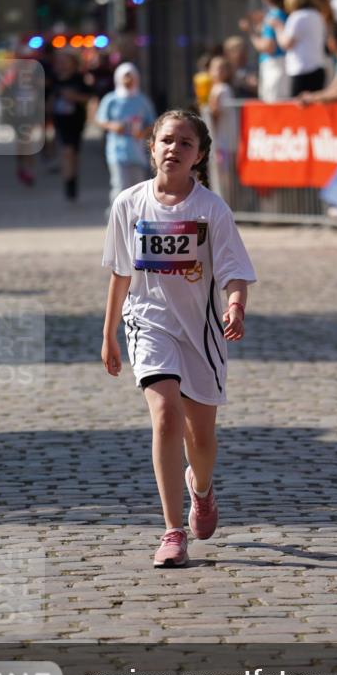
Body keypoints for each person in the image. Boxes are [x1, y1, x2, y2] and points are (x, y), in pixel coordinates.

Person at [101, 109, 256, 568]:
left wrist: (235, 305)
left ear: (199, 156)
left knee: (201, 440)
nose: (174, 148)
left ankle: (201, 489)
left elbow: (234, 271)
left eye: (185, 143)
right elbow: (120, 272)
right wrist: (109, 334)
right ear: (151, 148)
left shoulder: (211, 210)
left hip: (201, 333)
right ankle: (172, 532)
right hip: (148, 323)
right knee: (166, 414)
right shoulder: (128, 204)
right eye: (166, 140)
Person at [96, 62, 156, 214]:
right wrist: (113, 126)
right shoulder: (111, 99)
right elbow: (101, 119)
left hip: (137, 150)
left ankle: (136, 215)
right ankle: (117, 215)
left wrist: (142, 132)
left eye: (131, 77)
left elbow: (153, 122)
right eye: (125, 77)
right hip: (117, 150)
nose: (128, 81)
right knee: (120, 184)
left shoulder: (142, 100)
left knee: (138, 186)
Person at [271, 0, 326, 96]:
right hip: (318, 67)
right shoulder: (317, 15)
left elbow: (286, 43)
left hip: (301, 70)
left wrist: (278, 27)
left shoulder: (297, 17)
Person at [48, 51, 91, 200]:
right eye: (60, 61)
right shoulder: (54, 81)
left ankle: (72, 180)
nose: (63, 65)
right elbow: (48, 102)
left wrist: (73, 97)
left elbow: (88, 97)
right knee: (67, 151)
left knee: (73, 153)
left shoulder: (79, 79)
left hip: (76, 121)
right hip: (60, 122)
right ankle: (68, 183)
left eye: (66, 61)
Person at [239, 0, 290, 102]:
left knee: (275, 111)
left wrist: (250, 32)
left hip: (274, 67)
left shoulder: (273, 15)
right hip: (285, 67)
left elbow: (268, 46)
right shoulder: (286, 13)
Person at [207, 56, 239, 206]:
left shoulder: (222, 89)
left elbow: (215, 113)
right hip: (220, 142)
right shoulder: (214, 88)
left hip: (223, 143)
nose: (218, 71)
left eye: (222, 68)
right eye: (215, 68)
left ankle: (224, 210)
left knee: (224, 180)